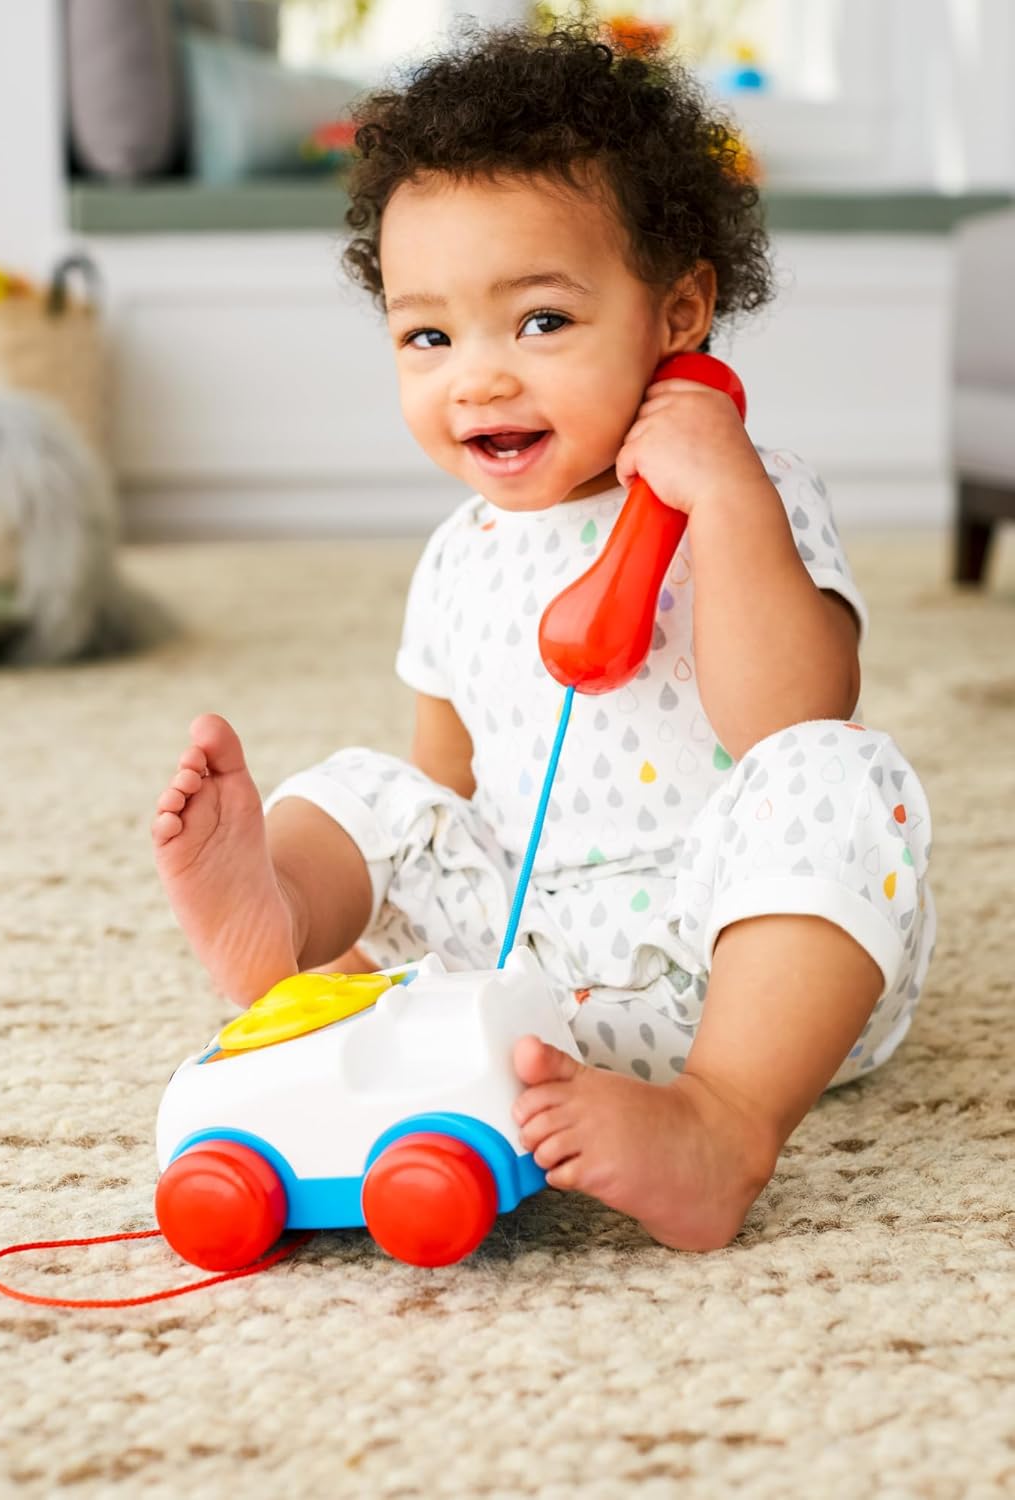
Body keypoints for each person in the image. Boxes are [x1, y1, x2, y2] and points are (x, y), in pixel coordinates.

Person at [152, 24, 934, 1251]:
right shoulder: (458, 553)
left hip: (730, 961)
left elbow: (788, 716)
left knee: (839, 773)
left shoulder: (748, 490)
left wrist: (721, 501)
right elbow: (445, 786)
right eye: (428, 336)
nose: (478, 380)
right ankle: (288, 933)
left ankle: (717, 1121)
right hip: (529, 971)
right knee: (369, 790)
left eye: (540, 322)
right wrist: (394, 882)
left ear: (676, 312)